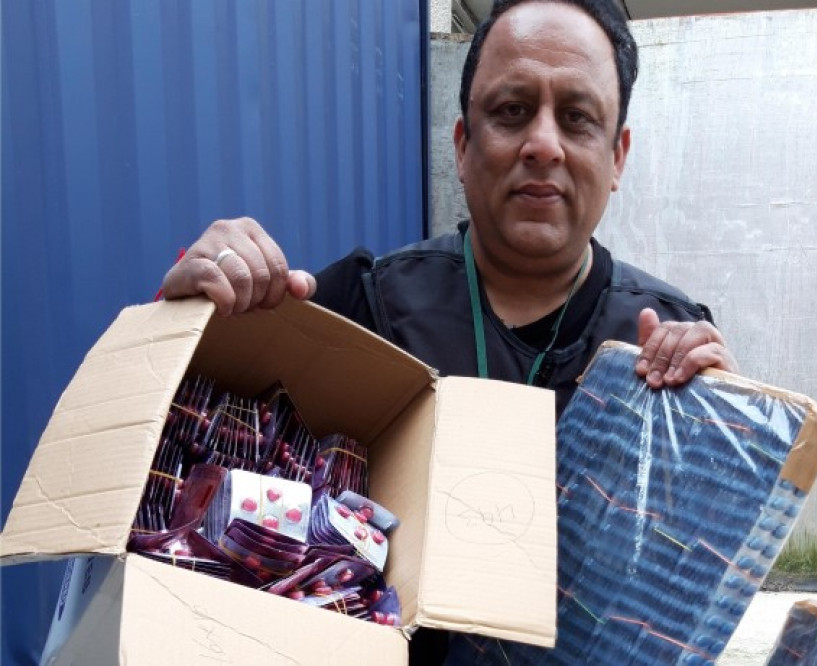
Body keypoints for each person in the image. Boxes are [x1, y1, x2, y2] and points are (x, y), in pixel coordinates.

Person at [162, 0, 737, 661]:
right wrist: (195, 304)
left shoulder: (667, 340)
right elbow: (187, 463)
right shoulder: (362, 307)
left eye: (577, 118)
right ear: (463, 146)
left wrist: (726, 440)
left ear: (617, 156)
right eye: (512, 111)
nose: (543, 144)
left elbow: (694, 584)